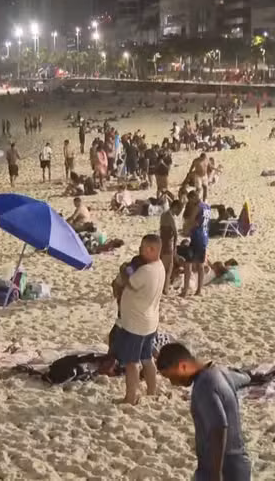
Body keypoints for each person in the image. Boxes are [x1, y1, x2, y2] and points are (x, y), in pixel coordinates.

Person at [156, 343, 252, 481]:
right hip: (237, 463)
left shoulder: (204, 385)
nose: (173, 383)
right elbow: (243, 378)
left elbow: (218, 428)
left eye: (171, 377)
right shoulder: (219, 371)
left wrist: (216, 475)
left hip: (224, 467)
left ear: (183, 366)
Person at [112, 234, 166, 405]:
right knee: (147, 358)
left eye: (143, 247)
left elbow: (130, 281)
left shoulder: (146, 271)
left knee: (131, 362)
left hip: (136, 324)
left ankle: (130, 397)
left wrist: (125, 269)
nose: (140, 250)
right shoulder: (159, 266)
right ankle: (151, 390)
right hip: (150, 322)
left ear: (152, 249)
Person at [182, 191, 210, 297]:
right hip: (204, 236)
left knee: (189, 263)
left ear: (194, 198)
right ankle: (199, 290)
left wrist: (186, 229)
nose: (190, 203)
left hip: (197, 237)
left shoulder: (198, 207)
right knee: (200, 264)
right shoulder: (207, 206)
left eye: (190, 200)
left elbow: (192, 220)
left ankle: (186, 291)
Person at [160, 199, 183, 295]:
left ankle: (162, 287)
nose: (180, 212)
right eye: (180, 209)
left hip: (162, 242)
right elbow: (175, 233)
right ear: (176, 207)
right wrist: (175, 248)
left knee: (162, 266)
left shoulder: (163, 214)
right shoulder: (170, 217)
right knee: (169, 267)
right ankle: (165, 289)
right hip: (168, 243)